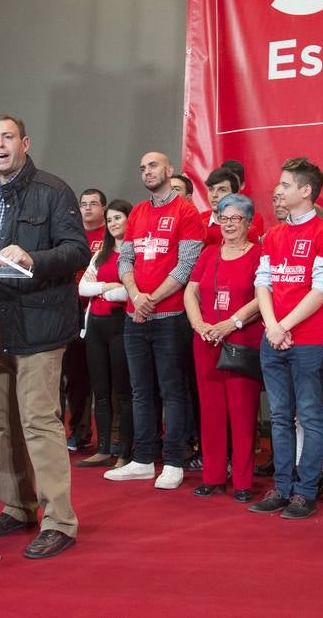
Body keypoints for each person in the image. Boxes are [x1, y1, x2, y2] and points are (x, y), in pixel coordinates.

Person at [0, 115, 89, 560]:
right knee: (2, 422)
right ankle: (18, 505)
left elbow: (78, 249)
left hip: (38, 323)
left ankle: (60, 521)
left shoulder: (52, 191)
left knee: (38, 421)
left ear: (24, 143)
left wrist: (32, 258)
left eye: (7, 137)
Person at [250, 157, 323, 519]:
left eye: (286, 184)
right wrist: (272, 325)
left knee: (310, 414)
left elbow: (322, 290)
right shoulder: (273, 235)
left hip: (305, 341)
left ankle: (306, 490)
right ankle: (282, 486)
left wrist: (283, 326)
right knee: (279, 415)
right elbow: (263, 283)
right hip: (274, 337)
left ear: (306, 191)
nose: (278, 189)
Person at [106, 151, 204, 490]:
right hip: (136, 316)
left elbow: (187, 265)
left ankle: (174, 460)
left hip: (171, 317)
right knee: (139, 391)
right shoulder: (137, 212)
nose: (146, 171)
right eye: (142, 167)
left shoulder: (187, 211)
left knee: (173, 390)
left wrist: (152, 298)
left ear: (169, 170)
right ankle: (143, 459)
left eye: (153, 165)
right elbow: (125, 260)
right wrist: (136, 295)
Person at [183, 192, 264, 502]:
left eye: (236, 219)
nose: (229, 224)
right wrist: (199, 325)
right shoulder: (208, 254)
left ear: (248, 222)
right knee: (211, 412)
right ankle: (213, 476)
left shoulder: (259, 254)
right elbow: (191, 293)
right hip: (205, 340)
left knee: (243, 414)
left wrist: (231, 324)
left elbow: (262, 297)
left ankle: (243, 481)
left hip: (241, 340)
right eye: (223, 218)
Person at [77, 199, 134, 469]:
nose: (112, 224)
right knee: (100, 391)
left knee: (123, 392)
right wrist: (107, 286)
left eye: (117, 218)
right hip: (96, 327)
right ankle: (102, 449)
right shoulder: (100, 255)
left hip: (121, 326)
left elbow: (128, 293)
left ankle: (124, 451)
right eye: (109, 220)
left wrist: (103, 288)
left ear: (129, 220)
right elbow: (82, 289)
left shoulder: (134, 253)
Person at [63, 189, 107, 453]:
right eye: (83, 204)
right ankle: (78, 432)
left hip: (102, 313)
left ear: (103, 208)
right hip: (73, 313)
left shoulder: (110, 237)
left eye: (93, 204)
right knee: (76, 378)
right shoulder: (73, 235)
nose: (88, 208)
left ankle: (111, 439)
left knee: (104, 379)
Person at [199, 167, 263, 246]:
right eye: (211, 189)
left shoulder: (248, 230)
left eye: (222, 190)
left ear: (235, 194)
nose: (214, 195)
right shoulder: (199, 226)